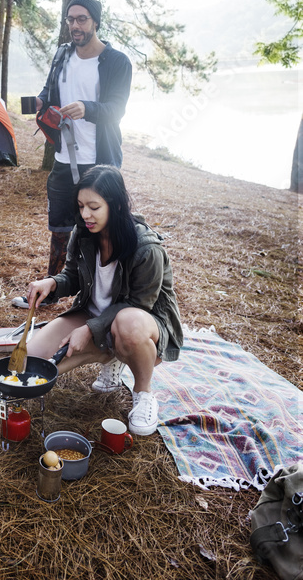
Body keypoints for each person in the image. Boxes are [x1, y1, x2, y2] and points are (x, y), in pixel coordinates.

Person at [25, 165, 183, 436]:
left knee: (127, 325)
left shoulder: (146, 248)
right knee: (32, 357)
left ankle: (143, 393)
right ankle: (112, 356)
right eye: (81, 205)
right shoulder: (83, 233)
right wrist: (52, 282)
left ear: (117, 205)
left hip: (142, 323)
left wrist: (88, 330)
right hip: (95, 315)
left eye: (94, 207)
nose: (85, 214)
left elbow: (139, 305)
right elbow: (72, 276)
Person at [12, 0, 132, 308]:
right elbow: (49, 91)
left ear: (95, 22)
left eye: (81, 19)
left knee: (103, 230)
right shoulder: (63, 54)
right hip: (65, 159)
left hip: (99, 161)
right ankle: (49, 294)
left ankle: (107, 298)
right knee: (61, 229)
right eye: (70, 20)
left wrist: (86, 108)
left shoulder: (117, 62)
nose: (74, 26)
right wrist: (38, 102)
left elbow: (116, 110)